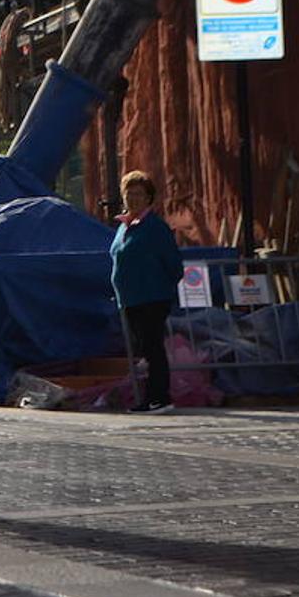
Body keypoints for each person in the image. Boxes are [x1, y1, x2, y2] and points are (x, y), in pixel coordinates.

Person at [110, 169, 184, 415]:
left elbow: (173, 264)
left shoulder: (155, 227)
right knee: (143, 350)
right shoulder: (124, 227)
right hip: (130, 299)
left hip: (152, 297)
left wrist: (161, 286)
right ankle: (149, 396)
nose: (133, 199)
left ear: (149, 198)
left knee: (153, 348)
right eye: (129, 194)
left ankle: (159, 398)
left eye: (139, 194)